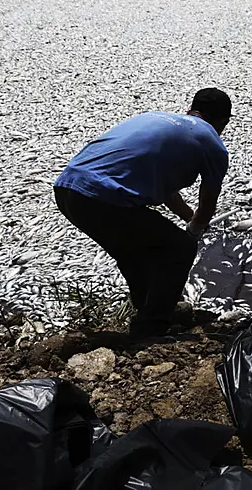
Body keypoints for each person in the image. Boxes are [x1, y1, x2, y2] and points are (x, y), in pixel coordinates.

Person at [53, 88, 232, 340]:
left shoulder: (156, 119)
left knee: (132, 251)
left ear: (191, 110)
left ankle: (148, 312)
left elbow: (169, 194)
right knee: (179, 249)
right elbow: (208, 203)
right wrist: (194, 230)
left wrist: (187, 218)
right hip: (104, 199)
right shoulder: (212, 143)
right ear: (224, 121)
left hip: (67, 189)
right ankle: (151, 330)